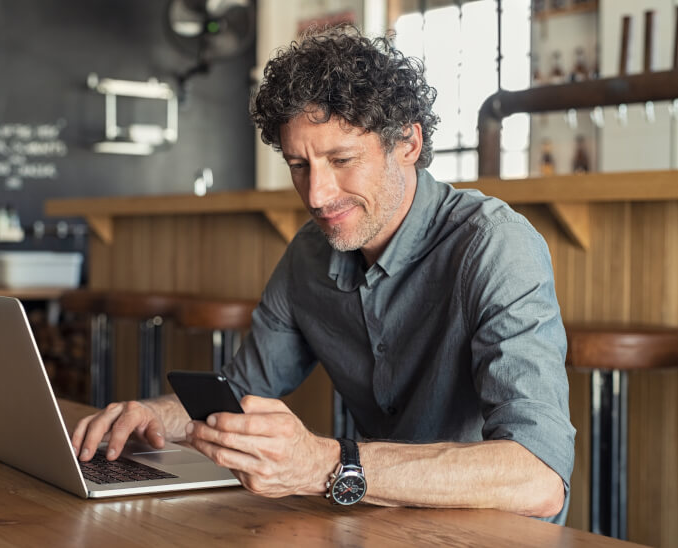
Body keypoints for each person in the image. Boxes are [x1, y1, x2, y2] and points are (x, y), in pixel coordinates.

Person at [72, 26, 575, 524]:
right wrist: (154, 416)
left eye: (341, 159)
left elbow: (539, 478)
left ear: (408, 143)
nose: (316, 194)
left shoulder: (496, 246)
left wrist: (328, 465)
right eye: (299, 165)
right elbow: (244, 390)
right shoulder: (310, 253)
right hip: (378, 523)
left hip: (487, 534)